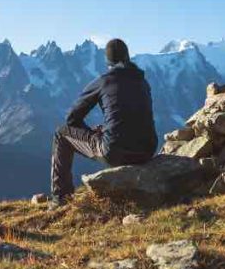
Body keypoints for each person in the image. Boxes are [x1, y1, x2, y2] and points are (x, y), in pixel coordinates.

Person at [49, 38, 158, 208]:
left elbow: (72, 119)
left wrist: (95, 134)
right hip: (147, 150)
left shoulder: (104, 81)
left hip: (115, 151)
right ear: (128, 57)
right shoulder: (143, 81)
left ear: (108, 61)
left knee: (61, 134)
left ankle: (60, 199)